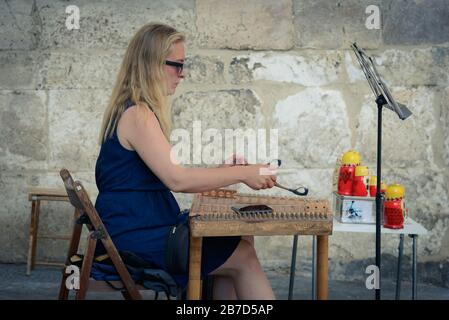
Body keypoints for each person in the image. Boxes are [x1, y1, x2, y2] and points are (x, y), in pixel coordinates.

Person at [95, 23, 276, 300]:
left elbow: (174, 174)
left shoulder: (133, 110)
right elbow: (177, 180)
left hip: (138, 227)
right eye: (177, 65)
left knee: (240, 239)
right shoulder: (138, 115)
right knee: (244, 256)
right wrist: (242, 173)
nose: (183, 73)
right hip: (132, 238)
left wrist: (224, 172)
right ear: (152, 64)